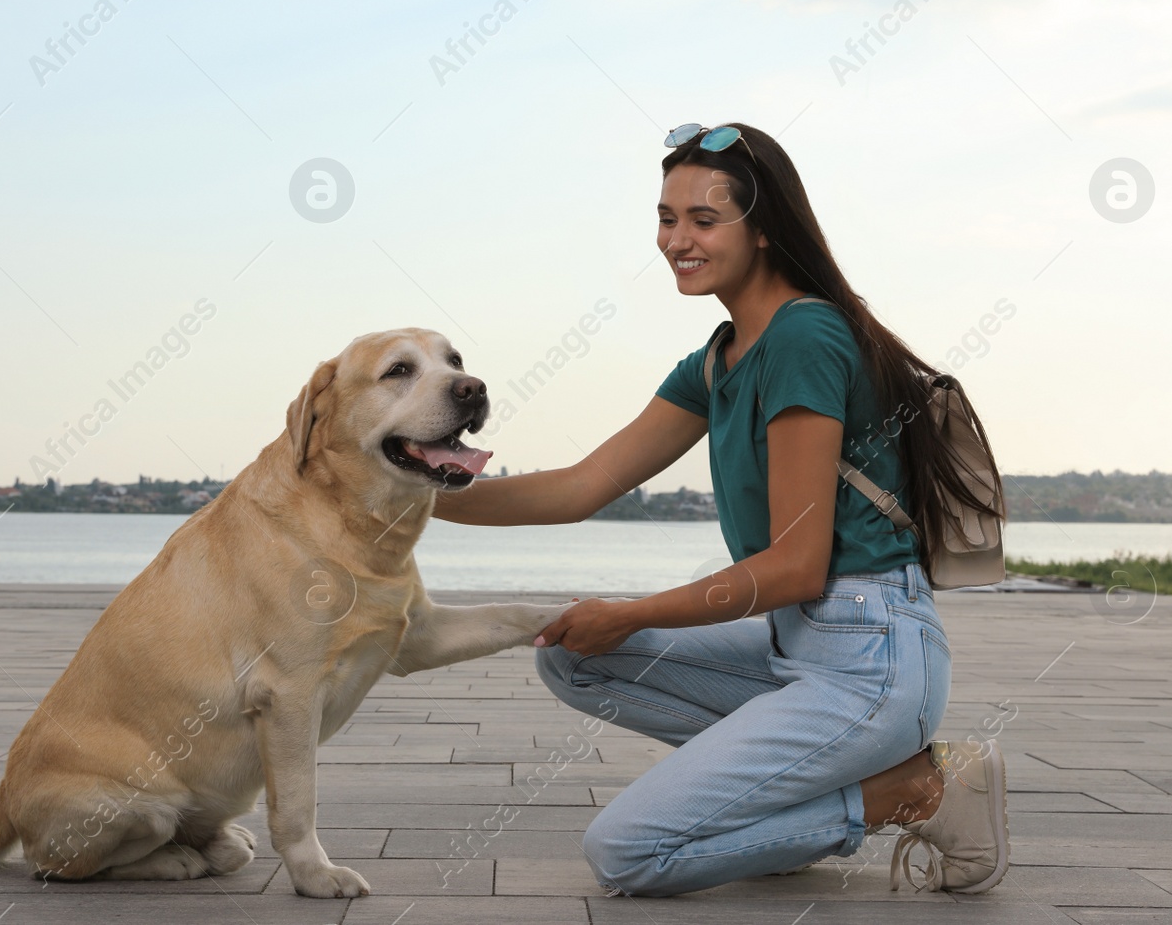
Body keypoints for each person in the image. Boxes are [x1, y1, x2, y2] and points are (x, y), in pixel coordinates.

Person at [432, 122, 1010, 897]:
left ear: (764, 229)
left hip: (870, 658)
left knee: (627, 851)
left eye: (704, 220)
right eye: (668, 218)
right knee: (571, 652)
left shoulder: (804, 334)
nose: (678, 239)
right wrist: (404, 497)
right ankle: (794, 799)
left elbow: (797, 566)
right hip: (799, 648)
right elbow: (580, 485)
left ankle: (917, 791)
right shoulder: (721, 355)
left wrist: (634, 612)